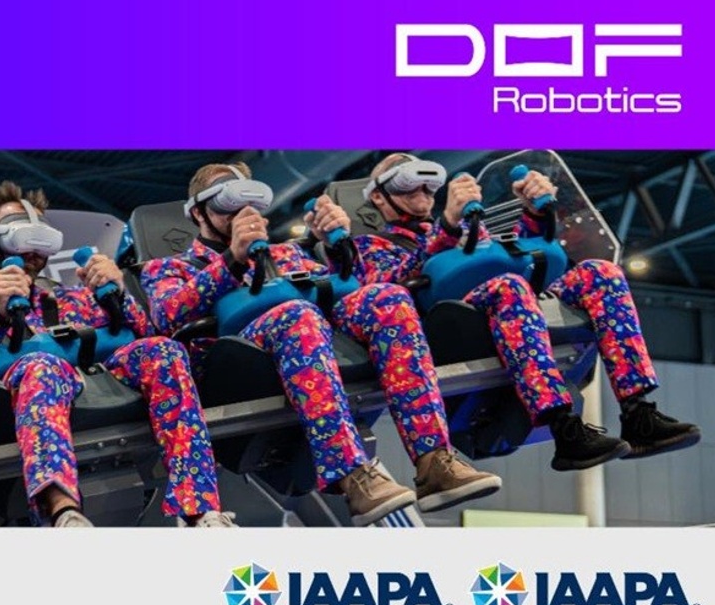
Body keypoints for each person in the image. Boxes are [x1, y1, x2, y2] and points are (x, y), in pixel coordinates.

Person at [142, 162, 501, 524]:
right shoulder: (169, 268)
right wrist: (232, 260)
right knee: (299, 314)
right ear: (198, 212)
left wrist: (337, 246)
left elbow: (348, 287)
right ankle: (351, 474)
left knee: (388, 298)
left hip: (309, 347)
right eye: (224, 201)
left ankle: (434, 461)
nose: (240, 209)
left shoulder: (288, 253)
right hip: (233, 364)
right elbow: (167, 316)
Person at [340, 152, 700, 469]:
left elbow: (504, 253)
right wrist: (447, 229)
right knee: (510, 287)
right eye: (407, 184)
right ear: (378, 196)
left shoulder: (466, 226)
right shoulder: (366, 246)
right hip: (442, 328)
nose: (422, 192)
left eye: (428, 185)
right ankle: (564, 428)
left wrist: (534, 214)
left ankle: (638, 412)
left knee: (601, 274)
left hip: (507, 308)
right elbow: (387, 284)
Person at [0, 181, 235, 528]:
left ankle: (198, 510)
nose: (30, 246)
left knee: (163, 351)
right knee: (43, 366)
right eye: (17, 232)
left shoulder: (72, 297)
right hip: (5, 403)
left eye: (39, 235)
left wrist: (118, 294)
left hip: (92, 385)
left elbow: (146, 334)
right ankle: (63, 515)